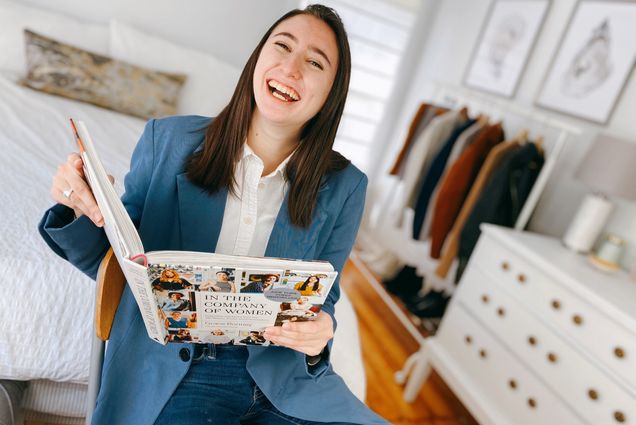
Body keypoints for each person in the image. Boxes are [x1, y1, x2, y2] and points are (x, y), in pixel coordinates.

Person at [39, 4, 387, 425]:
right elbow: (117, 263)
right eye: (282, 46)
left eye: (315, 62)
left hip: (286, 383)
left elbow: (322, 297)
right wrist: (80, 205)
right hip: (182, 371)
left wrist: (320, 333)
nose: (292, 69)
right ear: (258, 59)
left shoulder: (347, 187)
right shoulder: (165, 141)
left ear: (332, 93)